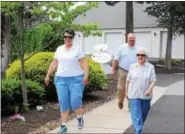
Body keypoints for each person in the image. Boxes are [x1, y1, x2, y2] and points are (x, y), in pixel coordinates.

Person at [45, 28, 88, 133]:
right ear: (63, 38)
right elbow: (54, 63)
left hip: (76, 79)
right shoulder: (59, 49)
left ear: (72, 38)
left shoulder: (77, 49)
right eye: (65, 37)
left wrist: (86, 76)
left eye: (70, 37)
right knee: (63, 103)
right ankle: (63, 127)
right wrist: (47, 75)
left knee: (75, 103)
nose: (67, 39)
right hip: (61, 79)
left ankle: (79, 117)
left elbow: (84, 63)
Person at [125, 47, 156, 134]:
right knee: (136, 114)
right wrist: (126, 92)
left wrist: (149, 90)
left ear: (146, 57)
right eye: (138, 55)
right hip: (133, 95)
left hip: (146, 96)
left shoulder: (150, 67)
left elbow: (153, 80)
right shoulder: (132, 66)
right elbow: (128, 80)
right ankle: (138, 131)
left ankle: (138, 127)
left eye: (142, 55)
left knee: (143, 115)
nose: (140, 56)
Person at [111, 33, 139, 109]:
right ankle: (120, 101)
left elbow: (141, 60)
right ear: (127, 39)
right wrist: (113, 69)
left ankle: (131, 104)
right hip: (123, 71)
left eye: (133, 38)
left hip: (134, 72)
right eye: (130, 38)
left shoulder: (138, 49)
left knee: (132, 89)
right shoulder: (121, 48)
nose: (131, 40)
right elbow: (116, 59)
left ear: (135, 39)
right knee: (121, 88)